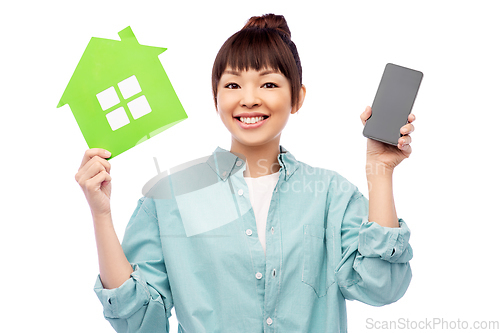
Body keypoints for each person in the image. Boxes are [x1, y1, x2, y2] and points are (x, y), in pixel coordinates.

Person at [75, 13, 414, 333]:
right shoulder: (171, 195)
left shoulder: (331, 195)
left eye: (268, 84)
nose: (249, 99)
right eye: (233, 85)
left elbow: (380, 287)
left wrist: (380, 171)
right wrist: (101, 214)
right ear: (216, 97)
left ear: (297, 97)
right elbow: (137, 320)